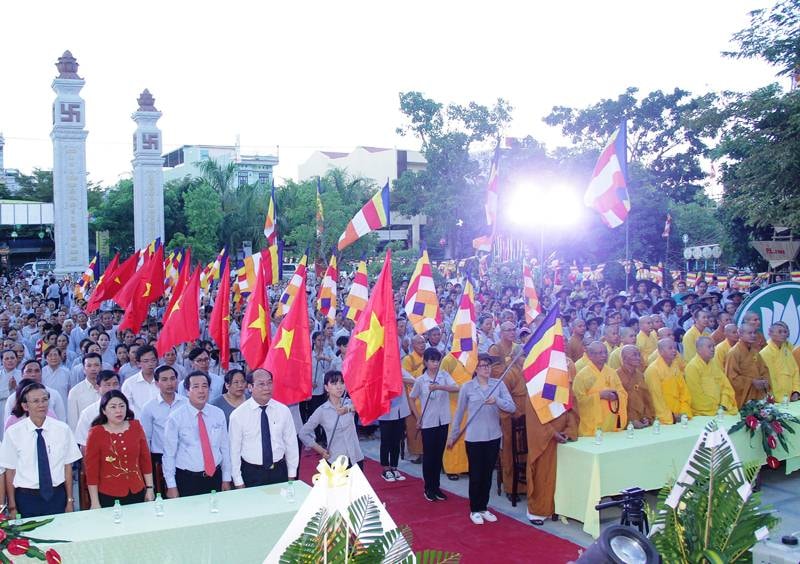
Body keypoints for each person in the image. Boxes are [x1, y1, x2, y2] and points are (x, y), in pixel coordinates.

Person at [447, 354, 515, 525]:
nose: (486, 368)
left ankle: (484, 507)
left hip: (493, 436)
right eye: (483, 366)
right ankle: (474, 508)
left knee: (487, 475)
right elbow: (459, 413)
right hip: (475, 438)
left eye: (488, 365)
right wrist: (453, 435)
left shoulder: (497, 385)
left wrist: (497, 401)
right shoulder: (467, 387)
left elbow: (512, 407)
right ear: (475, 369)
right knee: (476, 474)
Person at [0, 382, 82, 518]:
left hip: (57, 496)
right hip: (26, 497)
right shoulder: (13, 433)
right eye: (36, 401)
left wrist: (69, 500)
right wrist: (12, 506)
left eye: (45, 400)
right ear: (25, 406)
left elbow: (67, 467)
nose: (42, 404)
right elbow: (10, 471)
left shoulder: (62, 429)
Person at [163, 371, 231, 498]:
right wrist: (171, 485)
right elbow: (169, 454)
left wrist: (226, 477)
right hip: (187, 479)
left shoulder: (218, 413)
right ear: (187, 391)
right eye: (195, 387)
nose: (201, 391)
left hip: (215, 476)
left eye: (205, 386)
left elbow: (225, 448)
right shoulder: (176, 417)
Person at [85, 390, 155, 508]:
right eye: (113, 407)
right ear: (104, 411)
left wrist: (150, 488)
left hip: (137, 489)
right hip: (108, 493)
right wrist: (95, 501)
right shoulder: (96, 433)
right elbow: (91, 470)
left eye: (122, 406)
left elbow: (145, 460)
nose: (119, 411)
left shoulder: (135, 426)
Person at [229, 369, 299, 487]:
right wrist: (238, 481)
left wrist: (292, 473)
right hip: (251, 472)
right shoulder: (238, 415)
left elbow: (291, 444)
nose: (267, 388)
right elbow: (234, 451)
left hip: (279, 470)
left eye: (269, 383)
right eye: (261, 384)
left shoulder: (283, 411)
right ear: (250, 387)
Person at [488, 321, 528, 497]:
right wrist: (510, 364)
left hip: (525, 408)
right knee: (509, 447)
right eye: (508, 330)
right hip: (507, 408)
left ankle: (526, 484)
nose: (512, 332)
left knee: (525, 446)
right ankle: (510, 486)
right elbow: (496, 374)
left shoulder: (518, 348)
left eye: (514, 329)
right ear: (501, 332)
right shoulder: (495, 349)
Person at [299, 371, 364, 469]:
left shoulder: (349, 403)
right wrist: (321, 450)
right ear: (326, 388)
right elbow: (303, 433)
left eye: (342, 382)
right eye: (334, 383)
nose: (339, 387)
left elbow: (364, 406)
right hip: (336, 460)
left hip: (356, 458)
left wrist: (348, 409)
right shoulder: (322, 410)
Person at [140, 365, 186, 491]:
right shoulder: (149, 407)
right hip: (160, 457)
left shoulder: (186, 403)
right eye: (164, 380)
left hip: (184, 454)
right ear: (157, 383)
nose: (169, 383)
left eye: (172, 379)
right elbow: (146, 438)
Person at [573, 341, 628, 436]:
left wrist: (616, 395)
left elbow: (623, 393)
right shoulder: (582, 376)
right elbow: (578, 401)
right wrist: (600, 396)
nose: (603, 356)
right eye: (599, 353)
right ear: (590, 355)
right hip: (592, 424)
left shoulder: (612, 372)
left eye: (605, 352)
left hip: (611, 420)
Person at [685, 337, 738, 416]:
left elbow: (726, 386)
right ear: (699, 350)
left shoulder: (714, 364)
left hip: (721, 407)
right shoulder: (692, 367)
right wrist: (715, 407)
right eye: (709, 347)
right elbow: (696, 395)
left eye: (713, 346)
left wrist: (723, 404)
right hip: (704, 410)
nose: (713, 349)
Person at [644, 338, 693, 424]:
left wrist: (684, 411)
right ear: (660, 351)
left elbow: (684, 391)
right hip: (664, 418)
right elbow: (656, 399)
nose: (674, 350)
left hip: (681, 414)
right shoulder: (653, 370)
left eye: (675, 348)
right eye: (670, 348)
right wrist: (671, 416)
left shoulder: (675, 367)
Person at [726, 324, 771, 407]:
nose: (753, 335)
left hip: (758, 394)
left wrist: (765, 381)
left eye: (754, 333)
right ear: (740, 334)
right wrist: (752, 382)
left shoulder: (755, 351)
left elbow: (764, 370)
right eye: (750, 333)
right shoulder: (734, 353)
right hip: (743, 397)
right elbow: (732, 378)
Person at [75, 371, 122, 449]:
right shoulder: (88, 413)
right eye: (107, 385)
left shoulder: (128, 410)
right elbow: (84, 444)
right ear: (97, 387)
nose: (112, 388)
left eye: (115, 384)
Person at [377, 374, 411, 482]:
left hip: (400, 411)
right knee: (386, 441)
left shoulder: (399, 370)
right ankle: (385, 468)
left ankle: (394, 467)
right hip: (385, 411)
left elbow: (413, 381)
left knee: (396, 440)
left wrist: (399, 378)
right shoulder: (380, 369)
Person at [759, 322, 800, 402]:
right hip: (775, 397)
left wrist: (796, 391)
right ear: (770, 333)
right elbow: (770, 377)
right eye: (780, 332)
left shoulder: (787, 351)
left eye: (785, 332)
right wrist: (777, 398)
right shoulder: (765, 352)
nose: (783, 334)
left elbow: (795, 371)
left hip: (790, 396)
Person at [401, 335, 426, 463]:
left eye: (423, 342)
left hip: (426, 395)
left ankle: (426, 450)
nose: (422, 345)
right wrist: (418, 376)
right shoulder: (408, 359)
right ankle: (416, 453)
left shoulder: (428, 358)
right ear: (413, 345)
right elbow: (403, 378)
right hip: (412, 396)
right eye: (419, 343)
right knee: (413, 425)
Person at [616, 345, 655, 428]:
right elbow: (617, 404)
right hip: (626, 420)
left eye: (638, 355)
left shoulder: (640, 375)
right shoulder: (616, 376)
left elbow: (646, 399)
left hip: (641, 418)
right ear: (624, 358)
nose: (638, 358)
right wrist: (630, 421)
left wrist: (647, 417)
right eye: (634, 355)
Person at [66, 352, 102, 432]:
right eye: (89, 366)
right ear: (83, 369)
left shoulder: (108, 389)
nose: (93, 368)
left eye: (96, 365)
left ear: (101, 367)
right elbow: (73, 422)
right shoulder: (75, 392)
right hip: (85, 437)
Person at [120, 345, 160, 416]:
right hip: (139, 423)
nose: (150, 364)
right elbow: (126, 406)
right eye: (146, 361)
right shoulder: (129, 384)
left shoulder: (162, 381)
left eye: (153, 360)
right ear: (138, 363)